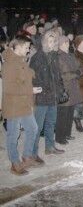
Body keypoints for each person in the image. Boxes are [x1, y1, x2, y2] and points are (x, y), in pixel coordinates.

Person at [2, 35, 44, 175]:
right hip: (14, 105)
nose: (28, 50)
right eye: (26, 47)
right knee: (13, 135)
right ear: (18, 46)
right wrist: (30, 89)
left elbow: (23, 76)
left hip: (24, 103)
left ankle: (26, 156)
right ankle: (15, 163)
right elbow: (9, 88)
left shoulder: (19, 60)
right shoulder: (9, 63)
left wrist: (31, 73)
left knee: (33, 128)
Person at [30, 30, 65, 156]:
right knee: (37, 127)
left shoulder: (54, 56)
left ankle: (49, 147)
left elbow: (57, 75)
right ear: (44, 42)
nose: (52, 43)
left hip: (53, 96)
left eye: (54, 41)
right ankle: (33, 153)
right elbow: (33, 77)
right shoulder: (37, 57)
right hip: (42, 96)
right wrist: (43, 88)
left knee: (51, 123)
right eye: (49, 41)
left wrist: (60, 90)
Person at [55, 36, 83, 145]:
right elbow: (61, 74)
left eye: (67, 42)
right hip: (65, 87)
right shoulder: (58, 57)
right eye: (65, 42)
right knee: (63, 112)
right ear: (60, 44)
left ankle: (67, 133)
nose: (67, 44)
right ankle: (60, 137)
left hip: (74, 86)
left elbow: (79, 66)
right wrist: (75, 74)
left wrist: (79, 72)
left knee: (70, 112)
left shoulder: (71, 55)